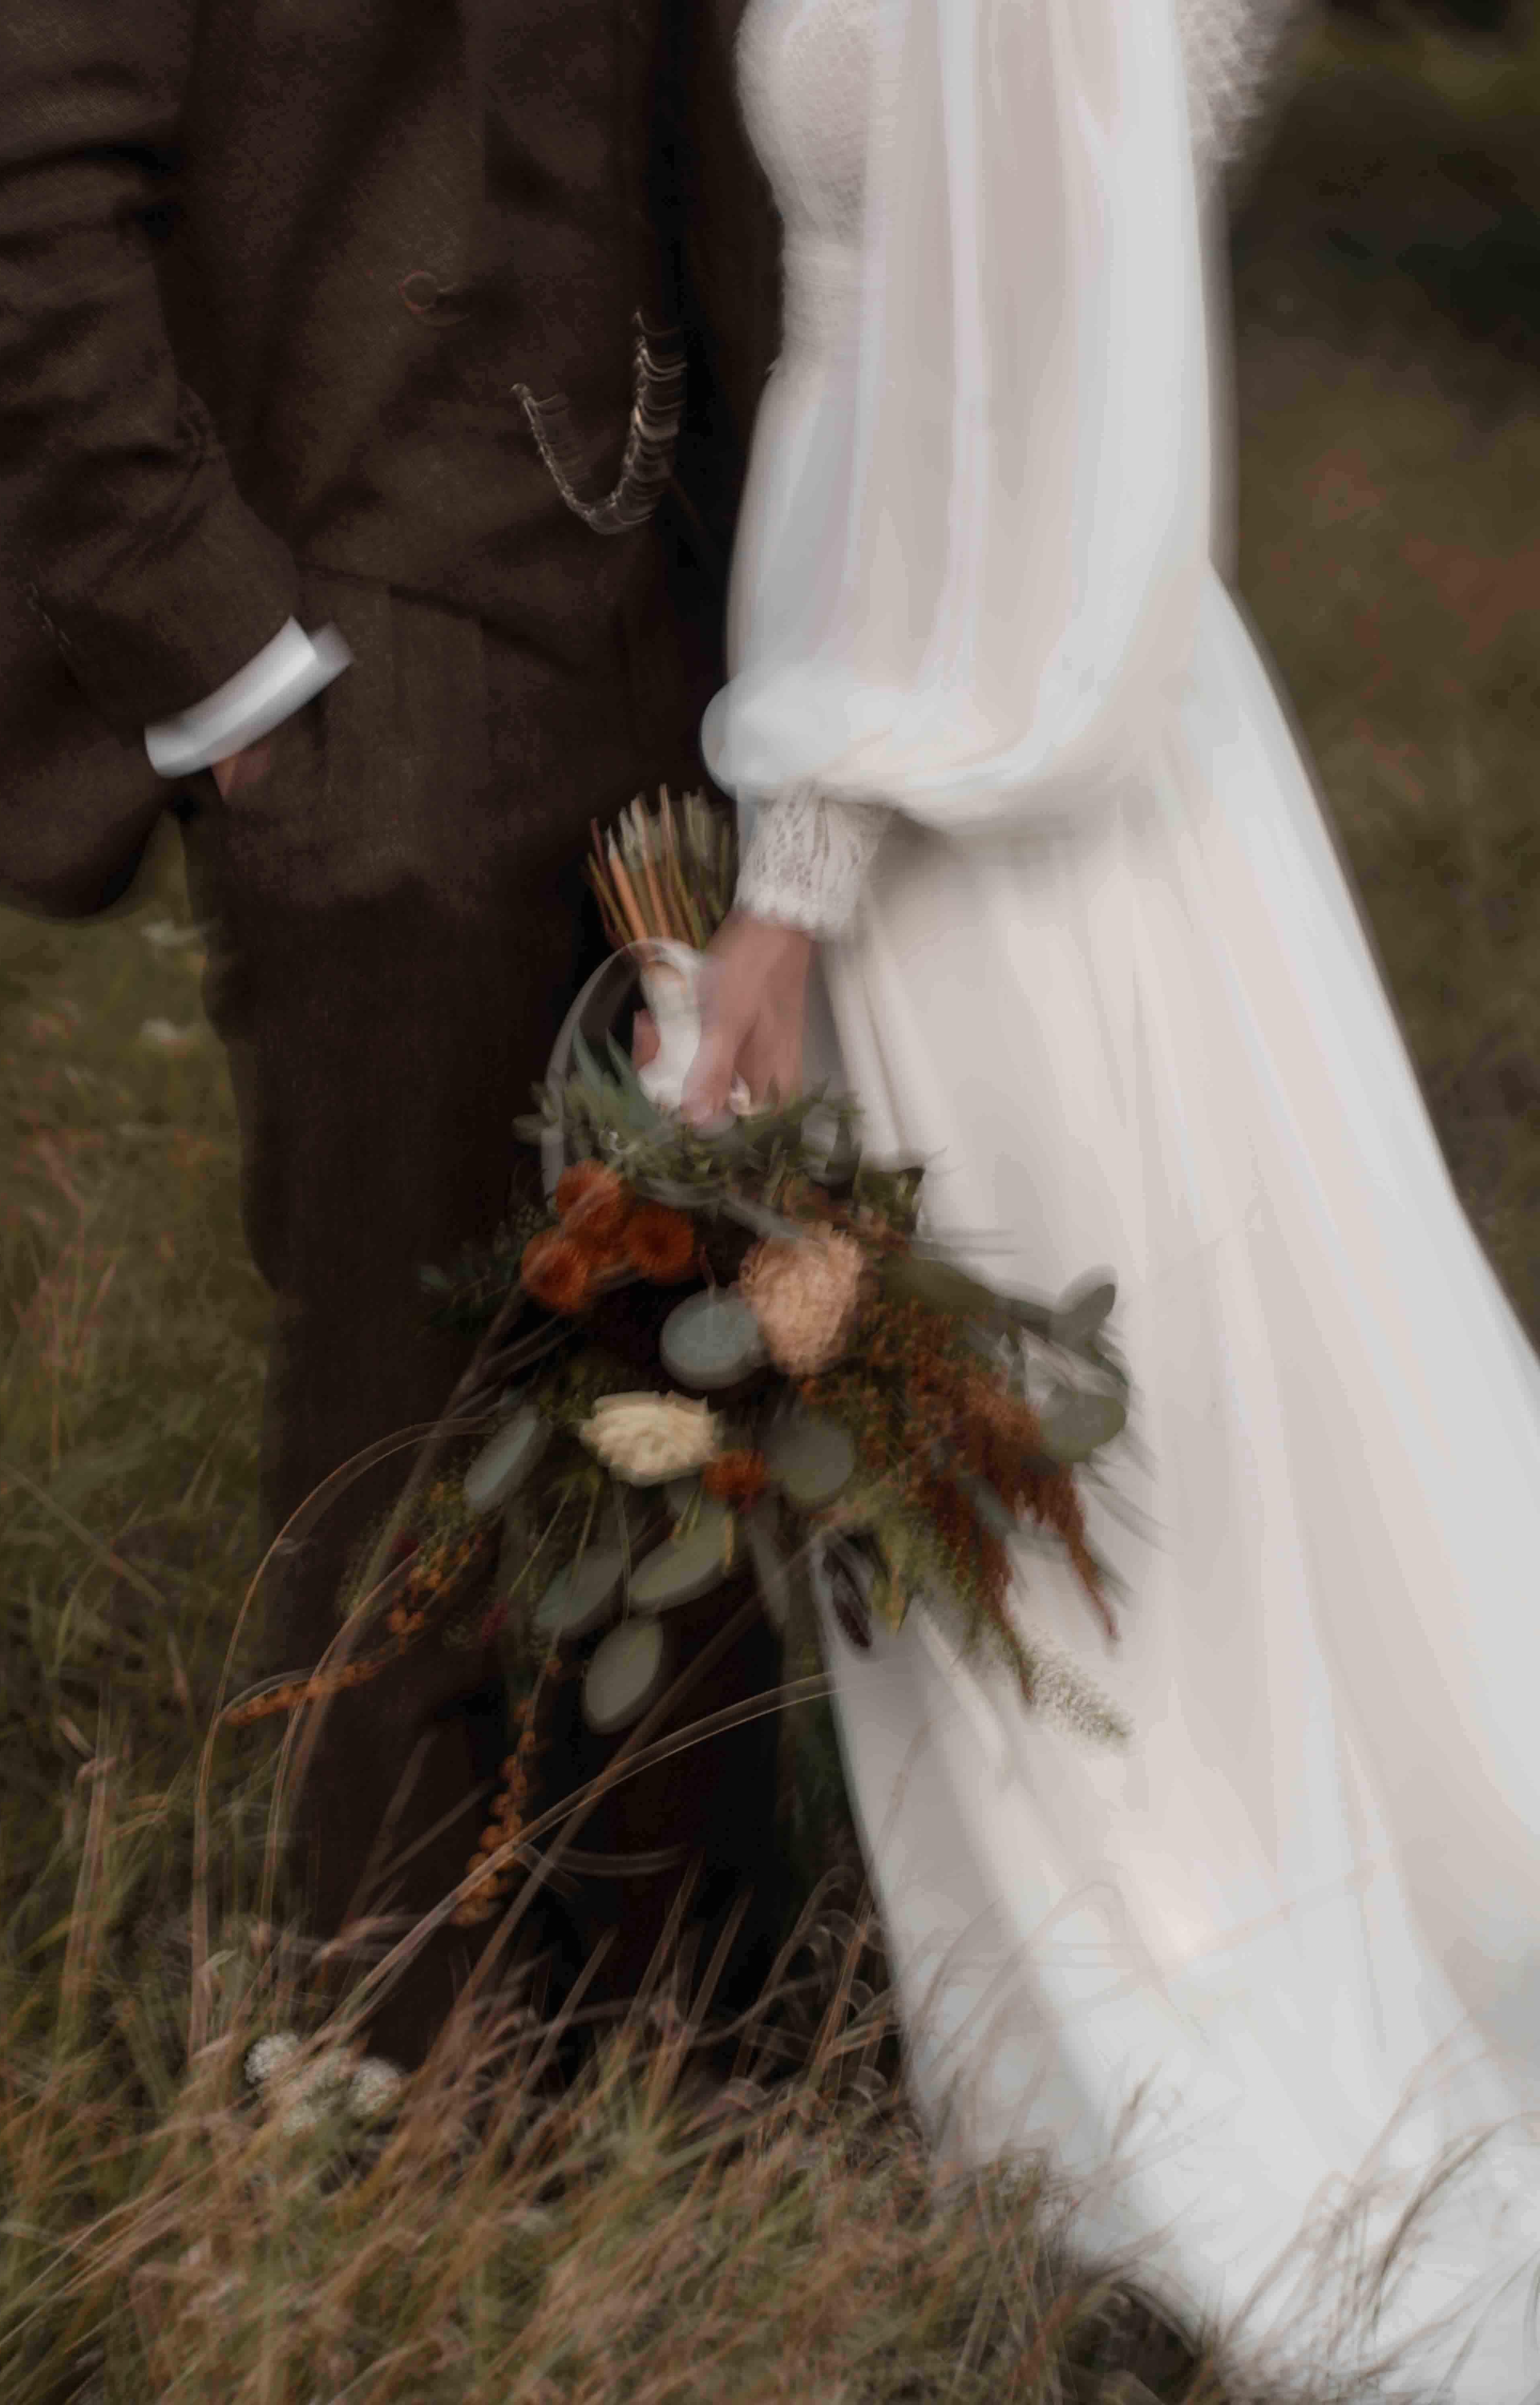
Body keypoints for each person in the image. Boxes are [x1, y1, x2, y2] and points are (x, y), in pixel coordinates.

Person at [675, 0, 1540, 2394]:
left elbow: (1012, 397)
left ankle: (1137, 2090)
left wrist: (806, 858)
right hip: (998, 692)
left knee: (1045, 1448)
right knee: (1122, 1416)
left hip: (966, 756)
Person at [0, 0, 786, 2069]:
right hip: (362, 658)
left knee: (689, 1373)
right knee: (401, 1421)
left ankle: (702, 2037)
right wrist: (227, 660)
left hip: (685, 637)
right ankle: (416, 2062)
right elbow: (13, 187)